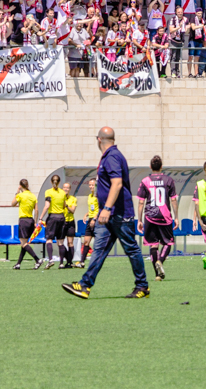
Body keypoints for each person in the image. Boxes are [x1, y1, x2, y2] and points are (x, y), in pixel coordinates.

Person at [62, 127, 151, 299]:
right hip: (108, 214)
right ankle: (84, 285)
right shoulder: (110, 156)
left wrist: (107, 208)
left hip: (118, 213)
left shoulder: (112, 157)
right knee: (99, 249)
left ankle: (142, 287)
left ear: (99, 139)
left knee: (131, 249)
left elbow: (116, 183)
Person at [137, 155, 178, 281]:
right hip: (164, 215)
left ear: (150, 166)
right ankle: (160, 261)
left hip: (150, 216)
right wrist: (176, 217)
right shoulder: (169, 180)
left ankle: (157, 274)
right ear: (161, 167)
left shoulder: (145, 181)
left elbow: (141, 202)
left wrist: (139, 220)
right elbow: (173, 200)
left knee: (153, 245)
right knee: (168, 242)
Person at [11, 179, 43, 270]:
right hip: (31, 221)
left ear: (20, 186)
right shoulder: (33, 196)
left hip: (23, 220)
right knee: (24, 243)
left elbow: (12, 204)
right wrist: (35, 222)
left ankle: (37, 260)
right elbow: (36, 210)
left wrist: (17, 192)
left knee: (23, 243)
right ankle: (18, 264)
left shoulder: (20, 195)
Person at [37, 174, 67, 270]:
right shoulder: (63, 193)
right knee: (60, 241)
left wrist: (41, 218)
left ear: (51, 182)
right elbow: (64, 205)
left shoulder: (48, 192)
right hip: (62, 217)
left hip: (53, 217)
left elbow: (47, 206)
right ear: (59, 182)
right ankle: (61, 263)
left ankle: (50, 260)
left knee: (49, 239)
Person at [61, 183, 78, 269]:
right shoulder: (60, 198)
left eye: (67, 188)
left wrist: (66, 205)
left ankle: (69, 262)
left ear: (70, 189)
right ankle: (67, 259)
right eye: (64, 187)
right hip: (62, 222)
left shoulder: (73, 199)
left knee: (70, 242)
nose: (66, 189)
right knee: (60, 242)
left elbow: (72, 210)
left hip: (70, 222)